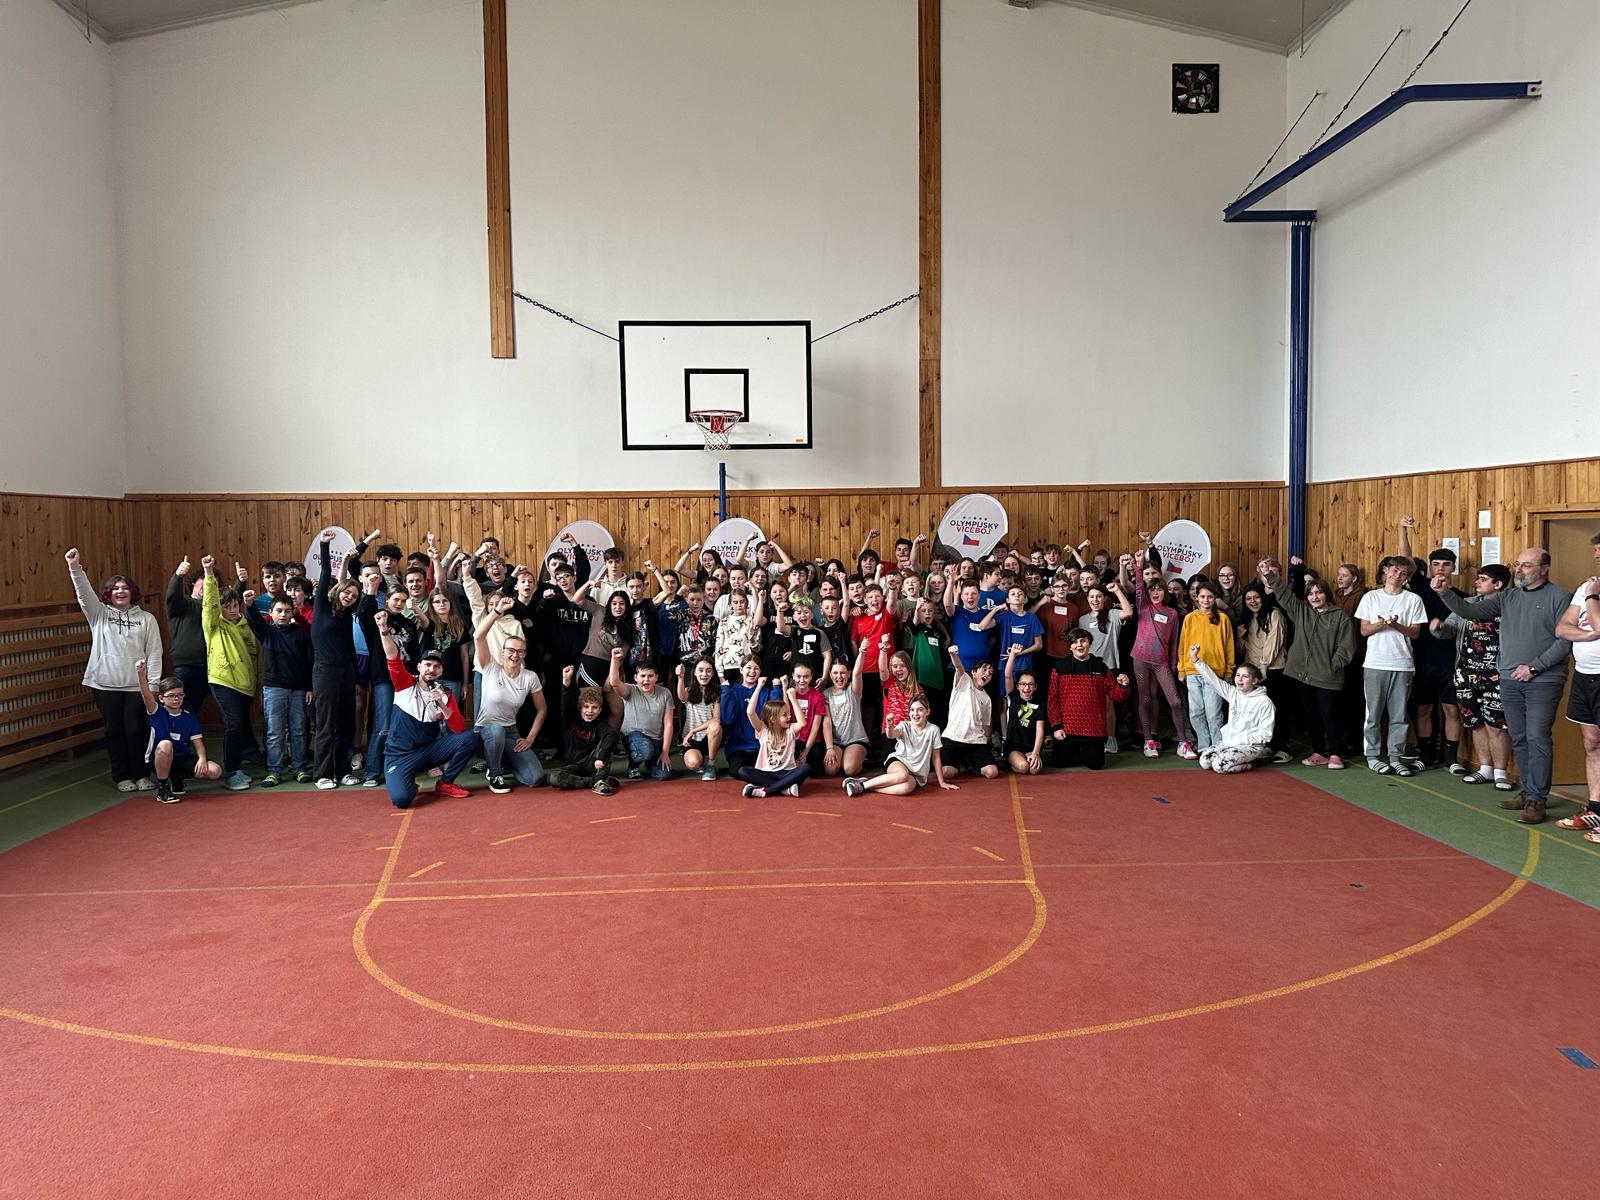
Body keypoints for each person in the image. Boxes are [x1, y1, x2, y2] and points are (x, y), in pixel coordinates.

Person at [1435, 547, 1571, 823]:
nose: (1519, 570)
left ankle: (1537, 799)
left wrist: (1534, 667)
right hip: (1509, 679)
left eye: (1527, 565)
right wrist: (1444, 592)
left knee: (1537, 737)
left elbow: (1566, 640)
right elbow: (1469, 611)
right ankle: (1528, 792)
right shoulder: (1508, 597)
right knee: (1519, 737)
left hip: (1543, 680)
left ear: (1544, 569)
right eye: (1518, 564)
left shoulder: (1560, 597)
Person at [67, 547, 164, 792]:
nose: (120, 591)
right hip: (104, 684)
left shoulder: (147, 619)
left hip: (136, 687)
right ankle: (122, 776)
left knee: (137, 730)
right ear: (109, 594)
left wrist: (153, 685)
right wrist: (75, 568)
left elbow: (154, 652)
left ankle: (141, 774)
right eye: (115, 588)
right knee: (114, 731)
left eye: (125, 588)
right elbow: (84, 594)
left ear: (132, 593)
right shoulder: (98, 614)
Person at [374, 611, 479, 809]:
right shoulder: (405, 683)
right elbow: (392, 656)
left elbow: (457, 727)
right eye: (428, 665)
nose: (431, 669)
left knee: (471, 738)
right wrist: (383, 630)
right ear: (419, 666)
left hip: (428, 752)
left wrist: (442, 705)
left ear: (441, 671)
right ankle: (407, 782)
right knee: (402, 800)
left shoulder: (445, 693)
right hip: (400, 755)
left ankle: (445, 783)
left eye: (437, 666)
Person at [1265, 559, 1355, 769]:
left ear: (1326, 594)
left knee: (1329, 715)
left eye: (1319, 593)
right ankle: (1318, 752)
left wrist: (1332, 666)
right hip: (1302, 676)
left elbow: (1346, 647)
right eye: (1311, 594)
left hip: (1328, 677)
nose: (1315, 597)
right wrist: (1270, 575)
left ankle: (1335, 754)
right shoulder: (1302, 612)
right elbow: (1284, 595)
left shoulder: (1340, 617)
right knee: (1312, 715)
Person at [1438, 564, 1512, 789]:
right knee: (1475, 721)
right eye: (1478, 578)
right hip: (1466, 672)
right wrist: (1438, 628)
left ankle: (1501, 772)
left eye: (1483, 579)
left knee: (1496, 724)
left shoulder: (1508, 606)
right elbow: (1449, 628)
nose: (1477, 582)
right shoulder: (1467, 603)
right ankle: (1484, 768)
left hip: (1496, 674)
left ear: (1498, 584)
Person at [1356, 556, 1428, 776]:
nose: (1398, 575)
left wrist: (1396, 625)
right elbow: (1364, 630)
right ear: (1385, 571)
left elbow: (1415, 633)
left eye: (1403, 573)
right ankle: (1373, 755)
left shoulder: (1413, 599)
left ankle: (1395, 756)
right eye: (1394, 570)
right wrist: (1381, 624)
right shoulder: (1371, 597)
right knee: (1373, 714)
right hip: (1375, 662)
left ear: (1407, 577)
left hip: (1402, 663)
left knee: (1399, 715)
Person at [1125, 553, 1195, 760]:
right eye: (1152, 590)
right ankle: (1148, 740)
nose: (1156, 593)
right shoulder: (1143, 608)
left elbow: (1174, 643)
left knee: (1174, 701)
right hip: (1140, 659)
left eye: (1159, 589)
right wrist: (1139, 566)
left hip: (1162, 662)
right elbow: (1138, 589)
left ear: (1165, 591)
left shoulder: (1172, 614)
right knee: (1145, 698)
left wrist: (1173, 665)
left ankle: (1183, 742)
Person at [199, 554, 260, 791]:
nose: (232, 610)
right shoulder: (214, 626)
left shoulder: (246, 625)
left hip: (245, 684)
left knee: (241, 724)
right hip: (223, 680)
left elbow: (254, 656)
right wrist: (209, 575)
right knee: (233, 724)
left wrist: (256, 683)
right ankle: (232, 771)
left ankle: (238, 767)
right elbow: (209, 604)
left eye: (235, 605)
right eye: (227, 606)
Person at [1554, 537, 1600, 836]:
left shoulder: (1591, 591)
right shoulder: (1587, 587)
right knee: (1592, 742)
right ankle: (1596, 809)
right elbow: (1562, 628)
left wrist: (1593, 597)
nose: (1596, 555)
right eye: (1595, 551)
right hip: (1585, 675)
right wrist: (1587, 636)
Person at [473, 609, 547, 793]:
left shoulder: (530, 677)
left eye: (520, 651)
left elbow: (542, 709)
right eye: (511, 651)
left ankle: (500, 760)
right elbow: (478, 636)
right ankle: (495, 773)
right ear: (503, 652)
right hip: (484, 731)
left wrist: (530, 738)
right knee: (496, 730)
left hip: (511, 733)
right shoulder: (490, 667)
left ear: (524, 654)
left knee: (535, 778)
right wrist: (496, 611)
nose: (515, 655)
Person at [243, 593, 313, 786]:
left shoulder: (301, 634)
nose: (283, 614)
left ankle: (299, 768)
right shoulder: (266, 632)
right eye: (279, 611)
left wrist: (309, 687)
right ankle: (274, 770)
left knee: (298, 730)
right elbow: (254, 620)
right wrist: (249, 604)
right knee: (275, 732)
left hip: (298, 689)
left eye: (287, 611)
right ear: (271, 613)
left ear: (293, 613)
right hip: (273, 688)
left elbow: (308, 662)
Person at [310, 530, 363, 789]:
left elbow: (350, 648)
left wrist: (356, 679)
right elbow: (324, 574)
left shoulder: (346, 617)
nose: (349, 597)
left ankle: (342, 771)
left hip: (346, 673)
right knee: (326, 725)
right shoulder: (321, 606)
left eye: (353, 596)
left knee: (346, 724)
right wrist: (324, 544)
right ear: (339, 591)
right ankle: (322, 774)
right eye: (347, 593)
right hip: (325, 672)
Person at [135, 659, 222, 802]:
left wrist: (202, 759)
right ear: (161, 698)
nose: (176, 699)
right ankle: (163, 789)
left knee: (214, 771)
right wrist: (141, 673)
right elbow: (145, 694)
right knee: (166, 744)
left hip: (181, 759)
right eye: (171, 696)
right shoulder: (156, 711)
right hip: (157, 758)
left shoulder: (189, 718)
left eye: (180, 695)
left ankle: (177, 779)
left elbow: (198, 744)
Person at [1045, 628, 1130, 770]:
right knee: (1061, 763)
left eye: (1083, 641)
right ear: (1070, 646)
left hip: (1093, 730)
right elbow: (1052, 700)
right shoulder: (1060, 667)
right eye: (1075, 642)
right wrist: (1056, 727)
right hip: (1067, 730)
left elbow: (1116, 696)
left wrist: (1123, 685)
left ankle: (1084, 753)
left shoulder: (1101, 668)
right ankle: (1076, 752)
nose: (1079, 645)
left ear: (1089, 644)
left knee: (1096, 765)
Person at [842, 694, 956, 796]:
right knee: (902, 775)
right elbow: (891, 734)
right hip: (899, 762)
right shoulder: (904, 725)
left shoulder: (934, 730)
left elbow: (936, 757)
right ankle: (861, 786)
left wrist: (941, 782)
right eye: (912, 710)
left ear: (927, 712)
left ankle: (866, 784)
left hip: (916, 773)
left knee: (907, 788)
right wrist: (889, 726)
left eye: (920, 710)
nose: (915, 714)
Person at [1186, 646, 1276, 774]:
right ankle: (1237, 758)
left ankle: (1252, 762)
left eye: (1245, 676)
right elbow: (1213, 680)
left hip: (1250, 747)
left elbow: (1265, 734)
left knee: (1219, 766)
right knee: (1205, 761)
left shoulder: (1265, 702)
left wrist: (1238, 740)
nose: (1239, 679)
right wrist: (1195, 660)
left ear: (1255, 680)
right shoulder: (1233, 693)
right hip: (1229, 743)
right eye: (1238, 675)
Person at [1235, 581, 1291, 762]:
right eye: (1248, 599)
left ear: (1263, 598)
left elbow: (1274, 642)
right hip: (1254, 672)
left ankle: (1282, 747)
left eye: (1256, 597)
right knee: (1261, 712)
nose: (1253, 601)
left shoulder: (1274, 614)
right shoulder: (1248, 618)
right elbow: (1244, 648)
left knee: (1277, 709)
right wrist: (1239, 637)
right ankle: (1269, 745)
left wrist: (1263, 666)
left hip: (1273, 669)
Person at [1177, 582, 1234, 755]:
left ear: (1215, 598)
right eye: (1202, 596)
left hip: (1214, 673)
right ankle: (1204, 746)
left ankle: (1217, 746)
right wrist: (1182, 669)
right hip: (1193, 672)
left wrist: (1229, 671)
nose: (1206, 600)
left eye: (1210, 597)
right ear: (1197, 598)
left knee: (1213, 713)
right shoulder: (1190, 618)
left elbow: (1229, 646)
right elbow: (1183, 645)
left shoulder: (1223, 619)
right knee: (1196, 712)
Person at [549, 668, 620, 794]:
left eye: (594, 708)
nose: (590, 711)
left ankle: (600, 780)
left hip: (593, 764)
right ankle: (594, 782)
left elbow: (612, 734)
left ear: (599, 710)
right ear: (580, 707)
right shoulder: (571, 720)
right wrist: (566, 681)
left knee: (609, 739)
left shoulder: (600, 724)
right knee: (554, 777)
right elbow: (566, 701)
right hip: (573, 766)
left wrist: (601, 757)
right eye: (586, 707)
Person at [736, 681, 813, 798]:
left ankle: (768, 790)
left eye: (788, 714)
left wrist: (793, 699)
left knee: (805, 768)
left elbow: (802, 723)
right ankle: (785, 788)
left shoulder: (790, 729)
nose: (789, 717)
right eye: (785, 715)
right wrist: (759, 687)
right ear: (773, 719)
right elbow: (750, 712)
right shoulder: (763, 729)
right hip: (766, 773)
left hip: (787, 773)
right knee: (743, 771)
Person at [608, 647, 674, 781]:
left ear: (656, 677)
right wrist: (615, 660)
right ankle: (633, 766)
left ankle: (650, 762)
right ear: (635, 678)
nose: (646, 680)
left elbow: (668, 724)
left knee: (664, 774)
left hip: (656, 740)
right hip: (634, 736)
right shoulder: (630, 690)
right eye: (642, 676)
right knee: (644, 749)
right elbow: (614, 682)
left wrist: (665, 752)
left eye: (650, 676)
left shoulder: (665, 693)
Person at [164, 557, 211, 722]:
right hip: (186, 667)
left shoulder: (216, 610)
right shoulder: (183, 605)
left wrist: (241, 583)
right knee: (182, 711)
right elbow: (172, 597)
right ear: (193, 584)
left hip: (212, 667)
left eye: (211, 582)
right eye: (203, 581)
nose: (207, 584)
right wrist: (178, 576)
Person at [942, 646, 999, 779]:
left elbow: (986, 724)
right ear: (973, 672)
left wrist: (988, 743)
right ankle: (962, 762)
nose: (987, 674)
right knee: (947, 773)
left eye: (990, 673)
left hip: (976, 740)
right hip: (955, 737)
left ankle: (970, 761)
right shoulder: (964, 681)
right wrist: (953, 654)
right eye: (984, 670)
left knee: (992, 772)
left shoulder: (987, 698)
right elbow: (959, 668)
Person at [822, 649, 870, 779]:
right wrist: (829, 748)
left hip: (855, 740)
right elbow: (826, 722)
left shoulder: (853, 690)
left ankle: (857, 760)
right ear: (830, 675)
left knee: (849, 769)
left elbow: (857, 673)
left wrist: (862, 652)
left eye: (842, 672)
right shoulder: (825, 694)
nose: (839, 676)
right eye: (835, 673)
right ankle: (844, 759)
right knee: (830, 770)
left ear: (848, 674)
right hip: (836, 741)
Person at [676, 657, 723, 781]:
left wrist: (693, 730)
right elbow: (682, 697)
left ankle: (711, 764)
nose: (704, 674)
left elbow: (716, 719)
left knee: (715, 726)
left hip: (709, 736)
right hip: (692, 740)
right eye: (700, 670)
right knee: (693, 763)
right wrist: (680, 677)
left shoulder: (717, 693)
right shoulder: (689, 691)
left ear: (713, 673)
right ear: (695, 672)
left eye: (708, 670)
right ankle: (702, 761)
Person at [1002, 651, 1046, 775]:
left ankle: (1024, 759)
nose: (1026, 688)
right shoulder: (1013, 697)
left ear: (1035, 687)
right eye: (1023, 684)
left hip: (1029, 746)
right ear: (1017, 686)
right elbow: (1007, 675)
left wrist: (1035, 753)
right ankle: (1011, 761)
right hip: (1013, 746)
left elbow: (1040, 730)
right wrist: (1012, 655)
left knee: (1034, 770)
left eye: (1030, 685)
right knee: (1023, 767)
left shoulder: (1039, 705)